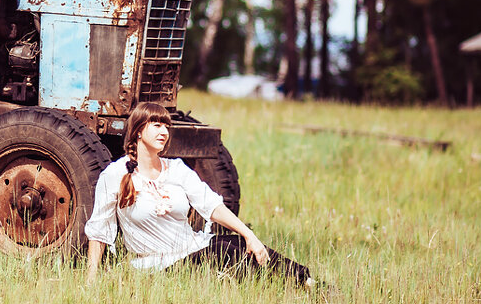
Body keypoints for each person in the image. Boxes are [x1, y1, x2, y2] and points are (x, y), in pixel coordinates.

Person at [85, 102, 314, 286]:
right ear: (137, 131)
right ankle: (297, 284)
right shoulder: (114, 174)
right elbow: (99, 230)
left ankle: (309, 282)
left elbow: (211, 206)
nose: (164, 132)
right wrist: (91, 281)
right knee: (224, 251)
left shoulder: (176, 169)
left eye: (167, 126)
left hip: (193, 247)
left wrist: (249, 235)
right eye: (156, 125)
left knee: (237, 244)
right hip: (157, 264)